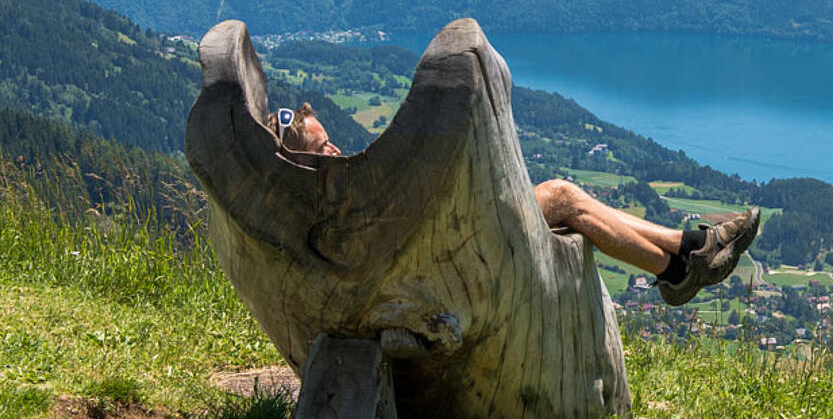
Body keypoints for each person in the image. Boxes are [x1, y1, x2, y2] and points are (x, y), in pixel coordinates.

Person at [273, 103, 758, 306]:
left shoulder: (325, 196)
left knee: (567, 195)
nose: (335, 152)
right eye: (322, 149)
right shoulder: (328, 205)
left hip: (438, 244)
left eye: (331, 141)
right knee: (564, 197)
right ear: (299, 161)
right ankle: (681, 265)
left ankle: (688, 251)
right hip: (442, 261)